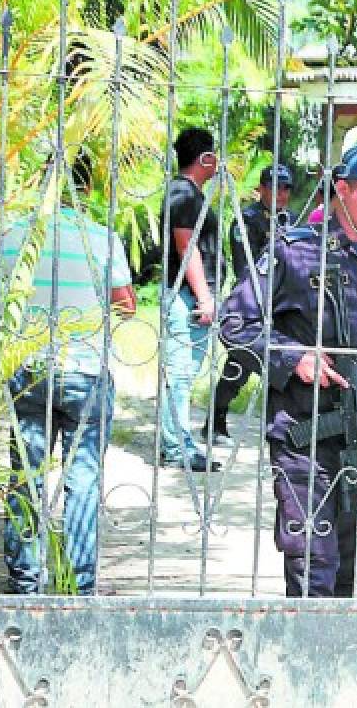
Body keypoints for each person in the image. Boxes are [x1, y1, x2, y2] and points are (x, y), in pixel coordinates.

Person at [220, 141, 357, 597]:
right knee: (312, 563)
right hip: (307, 441)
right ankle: (306, 660)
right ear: (341, 191)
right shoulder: (295, 253)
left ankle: (333, 651)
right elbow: (234, 323)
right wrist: (291, 357)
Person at [0, 154, 137, 595]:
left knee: (27, 473)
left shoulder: (14, 236)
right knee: (83, 478)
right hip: (85, 371)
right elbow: (127, 304)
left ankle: (25, 579)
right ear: (88, 189)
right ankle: (80, 583)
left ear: (42, 183)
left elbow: (2, 303)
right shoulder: (101, 238)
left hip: (30, 367)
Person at [200, 164, 294, 446]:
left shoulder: (289, 219)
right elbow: (246, 267)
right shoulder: (247, 220)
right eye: (275, 187)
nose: (281, 194)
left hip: (280, 303)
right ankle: (214, 423)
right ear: (262, 189)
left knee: (280, 365)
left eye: (286, 188)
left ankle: (279, 427)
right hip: (250, 303)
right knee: (240, 364)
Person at [158, 127, 222, 472]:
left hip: (190, 294)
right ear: (204, 158)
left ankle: (180, 441)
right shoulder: (183, 193)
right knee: (179, 373)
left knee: (185, 372)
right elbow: (187, 246)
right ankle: (176, 446)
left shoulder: (189, 192)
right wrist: (204, 296)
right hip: (187, 295)